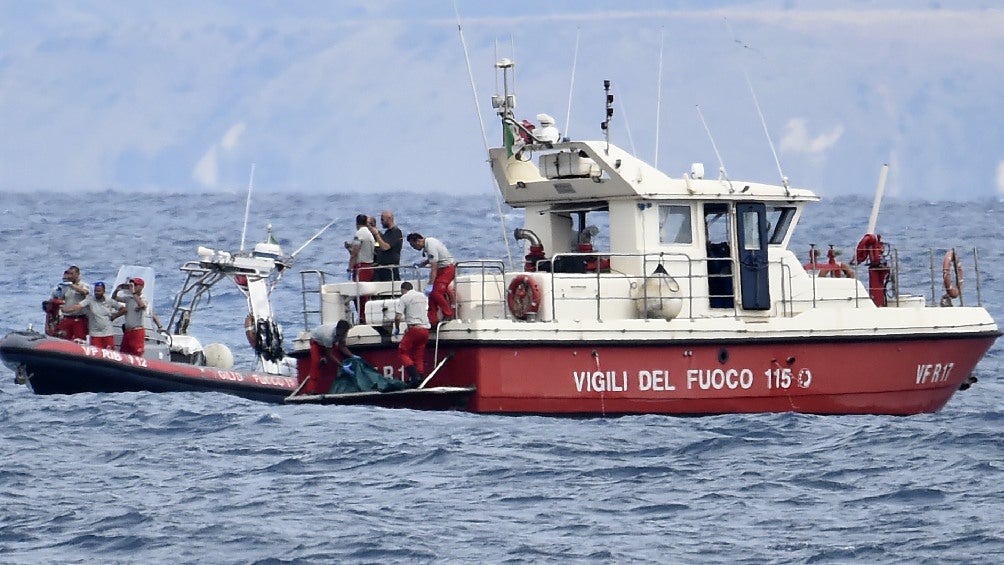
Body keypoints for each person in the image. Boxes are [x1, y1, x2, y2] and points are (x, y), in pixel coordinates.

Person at [407, 233, 456, 325]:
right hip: (442, 269)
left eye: (413, 245)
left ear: (418, 241)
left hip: (447, 269)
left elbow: (433, 268)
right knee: (432, 297)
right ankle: (432, 320)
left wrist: (430, 284)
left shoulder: (430, 246)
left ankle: (449, 313)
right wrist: (423, 263)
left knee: (436, 292)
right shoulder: (430, 242)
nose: (414, 248)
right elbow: (433, 258)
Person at [61, 281, 123, 350]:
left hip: (108, 333)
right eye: (95, 291)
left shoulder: (109, 301)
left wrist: (115, 316)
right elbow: (78, 306)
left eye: (99, 291)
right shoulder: (90, 300)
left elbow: (123, 309)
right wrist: (65, 310)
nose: (96, 293)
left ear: (103, 291)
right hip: (95, 334)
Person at [112, 277, 162, 356]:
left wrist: (134, 293)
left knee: (136, 353)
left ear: (141, 287)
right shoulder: (129, 298)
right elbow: (114, 298)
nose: (133, 287)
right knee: (124, 353)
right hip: (128, 331)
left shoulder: (143, 298)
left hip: (137, 331)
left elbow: (142, 306)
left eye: (135, 285)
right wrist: (117, 290)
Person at [302, 320, 353, 394]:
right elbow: (330, 354)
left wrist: (352, 356)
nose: (345, 334)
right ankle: (310, 390)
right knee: (316, 364)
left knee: (339, 359)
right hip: (316, 343)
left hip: (329, 344)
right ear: (339, 330)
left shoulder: (343, 333)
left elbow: (342, 346)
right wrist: (342, 366)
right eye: (344, 332)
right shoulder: (328, 336)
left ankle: (340, 387)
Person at [395, 281, 430, 387]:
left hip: (414, 329)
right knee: (418, 355)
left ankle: (414, 376)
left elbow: (397, 317)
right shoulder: (423, 296)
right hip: (425, 329)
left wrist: (397, 328)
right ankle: (420, 378)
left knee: (402, 351)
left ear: (403, 290)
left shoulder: (404, 298)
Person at [53, 265, 91, 341]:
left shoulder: (84, 285)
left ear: (77, 274)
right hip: (66, 318)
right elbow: (59, 298)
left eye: (72, 274)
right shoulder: (64, 286)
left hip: (79, 318)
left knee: (80, 340)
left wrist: (72, 286)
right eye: (69, 274)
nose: (69, 276)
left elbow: (85, 292)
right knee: (62, 339)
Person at [371, 210, 403, 282]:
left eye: (382, 219)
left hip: (390, 270)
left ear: (389, 219)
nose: (381, 222)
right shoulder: (387, 233)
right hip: (381, 269)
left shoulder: (396, 232)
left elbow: (385, 247)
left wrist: (376, 234)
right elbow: (379, 245)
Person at [348, 213, 376, 283]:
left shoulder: (359, 234)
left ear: (357, 223)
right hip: (369, 266)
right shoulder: (369, 234)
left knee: (359, 290)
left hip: (361, 267)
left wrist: (349, 268)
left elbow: (355, 253)